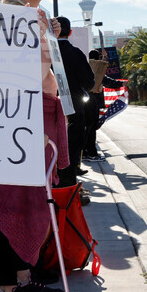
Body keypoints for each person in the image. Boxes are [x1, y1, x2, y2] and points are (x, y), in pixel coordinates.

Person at [0, 0, 71, 292]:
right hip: (19, 122)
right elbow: (18, 76)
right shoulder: (12, 20)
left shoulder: (35, 19)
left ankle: (22, 278)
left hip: (36, 118)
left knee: (29, 203)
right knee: (10, 206)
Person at [56, 16, 95, 187]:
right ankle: (68, 187)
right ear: (70, 32)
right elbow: (89, 82)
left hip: (48, 109)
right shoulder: (76, 53)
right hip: (74, 107)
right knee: (71, 149)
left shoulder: (43, 53)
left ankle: (52, 186)